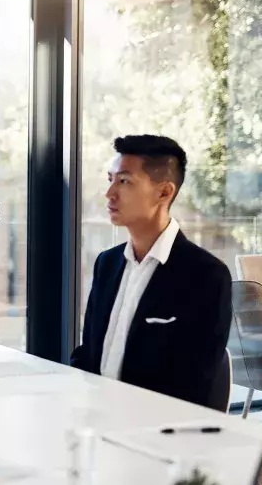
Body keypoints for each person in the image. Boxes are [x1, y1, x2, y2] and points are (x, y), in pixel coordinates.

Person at [70, 135, 232, 410]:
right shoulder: (107, 264)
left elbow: (194, 387)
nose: (110, 193)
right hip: (96, 423)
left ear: (164, 192)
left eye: (124, 181)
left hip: (159, 436)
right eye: (110, 179)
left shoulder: (206, 276)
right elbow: (88, 355)